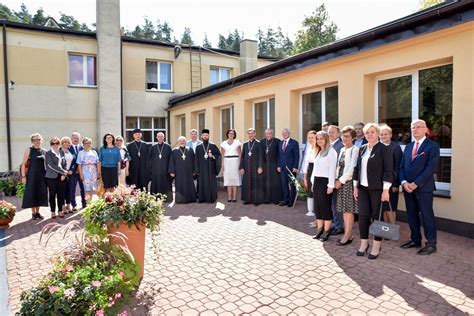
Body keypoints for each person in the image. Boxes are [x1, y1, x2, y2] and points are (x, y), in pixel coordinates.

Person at [399, 119, 440, 255]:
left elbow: (431, 168)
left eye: (418, 127)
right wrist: (404, 182)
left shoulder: (432, 146)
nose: (414, 130)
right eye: (412, 128)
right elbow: (402, 167)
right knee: (411, 215)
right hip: (408, 188)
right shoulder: (408, 146)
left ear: (425, 129)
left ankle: (431, 244)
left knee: (427, 215)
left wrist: (416, 183)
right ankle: (415, 239)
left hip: (423, 188)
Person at [353, 123, 393, 259]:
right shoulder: (362, 148)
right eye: (367, 133)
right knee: (363, 217)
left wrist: (386, 190)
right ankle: (364, 244)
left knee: (377, 217)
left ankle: (376, 245)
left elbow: (389, 171)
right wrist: (355, 187)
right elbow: (357, 168)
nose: (369, 135)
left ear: (377, 133)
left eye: (372, 132)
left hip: (378, 189)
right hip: (363, 188)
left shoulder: (384, 149)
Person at [334, 126, 359, 246]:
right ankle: (348, 233)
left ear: (353, 137)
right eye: (343, 136)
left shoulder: (355, 149)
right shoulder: (342, 150)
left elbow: (352, 169)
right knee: (344, 210)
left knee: (349, 210)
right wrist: (335, 180)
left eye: (347, 136)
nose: (345, 138)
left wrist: (341, 181)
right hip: (340, 183)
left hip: (348, 183)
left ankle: (347, 235)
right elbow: (339, 167)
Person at [311, 131, 338, 242]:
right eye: (317, 139)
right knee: (317, 207)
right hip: (317, 181)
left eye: (321, 138)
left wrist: (330, 185)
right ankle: (319, 229)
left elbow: (332, 170)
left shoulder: (331, 152)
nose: (319, 141)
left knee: (325, 207)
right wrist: (313, 183)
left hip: (326, 182)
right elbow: (314, 169)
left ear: (326, 139)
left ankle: (327, 231)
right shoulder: (318, 151)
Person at [20, 133, 48, 220]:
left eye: (38, 139)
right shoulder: (29, 150)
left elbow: (47, 165)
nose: (37, 141)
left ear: (41, 140)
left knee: (40, 193)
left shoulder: (44, 151)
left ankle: (38, 212)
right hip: (31, 175)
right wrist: (23, 176)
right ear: (32, 141)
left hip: (42, 176)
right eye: (35, 140)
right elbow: (23, 164)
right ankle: (33, 213)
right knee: (32, 193)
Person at [380, 124, 403, 224]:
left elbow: (398, 166)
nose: (383, 136)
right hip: (380, 182)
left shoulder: (395, 147)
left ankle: (392, 228)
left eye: (386, 134)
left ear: (390, 135)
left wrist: (395, 184)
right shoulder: (378, 146)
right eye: (381, 134)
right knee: (384, 207)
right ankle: (386, 230)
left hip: (392, 182)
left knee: (391, 206)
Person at [45, 137, 70, 219]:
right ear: (51, 144)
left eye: (57, 143)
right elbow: (51, 165)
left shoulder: (62, 152)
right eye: (53, 143)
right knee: (52, 195)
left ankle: (60, 211)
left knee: (61, 195)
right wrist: (64, 172)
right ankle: (53, 211)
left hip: (62, 177)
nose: (55, 145)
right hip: (51, 177)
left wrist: (64, 174)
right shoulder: (48, 153)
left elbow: (65, 164)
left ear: (59, 144)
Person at [195, 129, 221, 203]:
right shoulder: (198, 147)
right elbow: (196, 158)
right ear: (201, 136)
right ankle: (201, 198)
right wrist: (196, 170)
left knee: (211, 183)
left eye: (207, 135)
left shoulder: (213, 145)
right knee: (201, 183)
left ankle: (211, 198)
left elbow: (219, 156)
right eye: (204, 135)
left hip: (211, 168)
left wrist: (212, 156)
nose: (205, 136)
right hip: (202, 169)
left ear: (208, 136)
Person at [240, 128, 264, 205]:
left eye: (252, 133)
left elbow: (261, 156)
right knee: (247, 183)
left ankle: (256, 200)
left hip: (255, 167)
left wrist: (260, 167)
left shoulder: (259, 143)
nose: (250, 135)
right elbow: (242, 156)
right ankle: (248, 199)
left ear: (255, 134)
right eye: (249, 134)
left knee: (256, 183)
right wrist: (242, 167)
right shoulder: (245, 144)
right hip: (247, 167)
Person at [169, 136, 196, 204]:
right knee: (179, 185)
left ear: (185, 142)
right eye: (180, 141)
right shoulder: (174, 151)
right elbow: (171, 161)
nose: (182, 142)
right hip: (179, 172)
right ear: (178, 142)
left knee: (189, 184)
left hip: (188, 171)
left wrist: (194, 170)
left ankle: (190, 199)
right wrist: (172, 171)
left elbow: (194, 161)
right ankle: (179, 200)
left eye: (183, 140)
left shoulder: (190, 150)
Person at [328, 125, 345, 235]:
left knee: (337, 204)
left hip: (337, 180)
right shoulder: (329, 145)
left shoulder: (340, 146)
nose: (330, 134)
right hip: (329, 179)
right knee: (332, 204)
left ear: (338, 134)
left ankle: (339, 227)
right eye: (329, 132)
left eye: (333, 132)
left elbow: (342, 165)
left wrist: (338, 180)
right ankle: (335, 224)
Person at [277, 128, 300, 207]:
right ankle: (285, 200)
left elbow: (297, 156)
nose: (284, 134)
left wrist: (295, 166)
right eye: (283, 133)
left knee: (291, 185)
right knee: (284, 185)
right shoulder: (280, 143)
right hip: (282, 168)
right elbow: (279, 156)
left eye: (286, 133)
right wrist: (278, 165)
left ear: (289, 133)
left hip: (291, 168)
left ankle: (291, 200)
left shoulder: (294, 143)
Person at [149, 132, 173, 202]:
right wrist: (151, 169)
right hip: (155, 170)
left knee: (165, 183)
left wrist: (170, 169)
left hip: (165, 169)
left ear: (164, 137)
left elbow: (171, 159)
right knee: (156, 183)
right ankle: (155, 197)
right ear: (156, 137)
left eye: (161, 136)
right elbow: (150, 159)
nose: (160, 138)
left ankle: (166, 198)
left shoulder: (168, 147)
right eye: (159, 136)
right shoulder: (153, 147)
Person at [261, 128, 282, 204]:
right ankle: (266, 198)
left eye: (270, 133)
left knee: (275, 182)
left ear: (272, 134)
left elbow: (280, 154)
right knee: (266, 182)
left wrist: (279, 165)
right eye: (267, 133)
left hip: (274, 164)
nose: (268, 135)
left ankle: (275, 199)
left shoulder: (277, 141)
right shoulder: (262, 142)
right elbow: (260, 154)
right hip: (265, 165)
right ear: (265, 134)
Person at [220, 129, 241, 202]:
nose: (231, 135)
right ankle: (229, 197)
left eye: (232, 133)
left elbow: (239, 153)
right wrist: (222, 164)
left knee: (234, 180)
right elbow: (222, 154)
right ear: (227, 134)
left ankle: (234, 197)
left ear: (234, 135)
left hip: (235, 161)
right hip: (226, 161)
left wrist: (240, 164)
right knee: (228, 180)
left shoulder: (237, 142)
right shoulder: (223, 143)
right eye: (230, 133)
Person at [76, 137, 99, 202]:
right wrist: (81, 174)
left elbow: (97, 162)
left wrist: (98, 172)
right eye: (86, 143)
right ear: (83, 144)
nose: (88, 144)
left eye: (89, 143)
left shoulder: (94, 152)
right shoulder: (81, 153)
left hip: (93, 171)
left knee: (91, 188)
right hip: (85, 171)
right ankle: (87, 203)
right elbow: (79, 164)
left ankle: (90, 203)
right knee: (87, 189)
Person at [69, 132, 87, 211]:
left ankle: (84, 203)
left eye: (77, 138)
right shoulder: (68, 148)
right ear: (71, 138)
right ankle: (74, 205)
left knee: (84, 188)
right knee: (72, 189)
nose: (76, 139)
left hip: (82, 172)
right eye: (74, 137)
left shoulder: (82, 148)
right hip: (72, 172)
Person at [301, 131, 317, 216]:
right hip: (309, 170)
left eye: (312, 137)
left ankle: (317, 212)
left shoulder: (319, 148)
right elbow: (306, 163)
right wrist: (305, 176)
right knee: (309, 190)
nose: (310, 139)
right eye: (309, 138)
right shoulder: (309, 148)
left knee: (316, 191)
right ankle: (310, 210)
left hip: (317, 170)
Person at [60, 137, 76, 214]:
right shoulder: (59, 151)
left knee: (69, 190)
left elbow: (74, 162)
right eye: (64, 142)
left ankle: (69, 206)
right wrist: (64, 172)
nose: (66, 143)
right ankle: (63, 207)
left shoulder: (71, 151)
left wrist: (72, 170)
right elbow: (58, 164)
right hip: (62, 174)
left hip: (70, 174)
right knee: (62, 191)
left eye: (68, 142)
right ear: (62, 143)